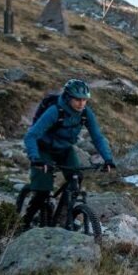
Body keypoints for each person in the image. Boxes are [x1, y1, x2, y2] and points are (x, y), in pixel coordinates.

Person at [22, 79, 115, 222]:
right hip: (44, 149)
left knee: (76, 178)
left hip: (65, 149)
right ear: (67, 97)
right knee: (42, 191)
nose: (82, 103)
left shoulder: (85, 113)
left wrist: (108, 159)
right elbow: (31, 136)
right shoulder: (54, 111)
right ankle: (26, 222)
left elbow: (98, 137)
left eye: (85, 100)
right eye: (78, 99)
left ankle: (63, 217)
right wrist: (35, 158)